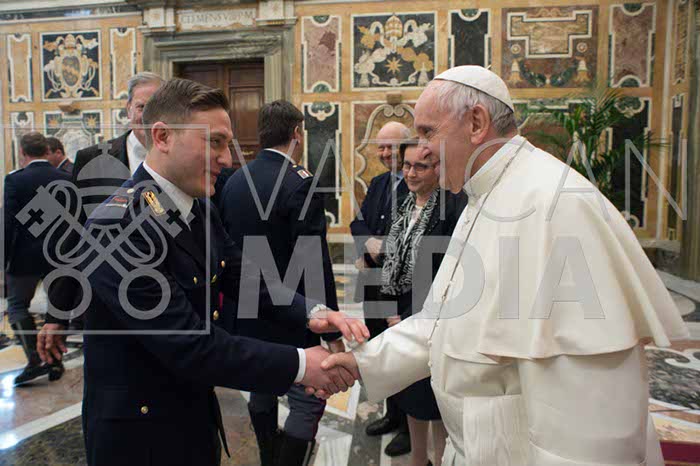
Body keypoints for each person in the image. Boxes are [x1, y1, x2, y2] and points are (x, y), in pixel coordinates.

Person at [316, 66, 689, 466]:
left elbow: (591, 420)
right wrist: (362, 362)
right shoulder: (482, 196)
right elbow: (441, 320)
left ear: (476, 123)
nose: (421, 152)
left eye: (427, 133)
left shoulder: (557, 205)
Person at [38, 78, 367, 466]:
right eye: (215, 142)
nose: (227, 159)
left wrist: (312, 312)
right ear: (163, 137)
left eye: (227, 144)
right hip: (140, 439)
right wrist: (300, 365)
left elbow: (242, 276)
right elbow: (191, 344)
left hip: (192, 416)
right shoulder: (118, 227)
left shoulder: (198, 207)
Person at [218, 100, 341, 466]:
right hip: (292, 310)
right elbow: (313, 262)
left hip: (247, 306)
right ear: (297, 134)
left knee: (261, 384)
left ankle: (268, 454)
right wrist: (330, 325)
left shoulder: (234, 180)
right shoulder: (299, 183)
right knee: (308, 397)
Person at [40, 71, 164, 331]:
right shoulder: (92, 160)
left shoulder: (183, 158)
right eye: (142, 107)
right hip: (105, 305)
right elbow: (73, 233)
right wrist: (57, 314)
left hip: (167, 300)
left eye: (158, 107)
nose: (149, 116)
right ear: (128, 109)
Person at [379, 139, 465, 466]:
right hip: (399, 314)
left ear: (437, 168)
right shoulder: (404, 202)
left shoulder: (452, 208)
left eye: (421, 166)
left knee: (436, 401)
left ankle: (439, 459)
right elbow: (391, 258)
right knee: (411, 395)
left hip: (432, 319)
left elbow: (451, 271)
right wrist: (391, 312)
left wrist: (411, 316)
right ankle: (418, 459)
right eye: (407, 165)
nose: (411, 173)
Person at [349, 121, 412, 456]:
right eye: (381, 147)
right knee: (379, 348)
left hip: (401, 288)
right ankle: (392, 413)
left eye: (392, 147)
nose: (385, 153)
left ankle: (409, 427)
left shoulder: (419, 183)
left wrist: (382, 247)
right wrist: (367, 243)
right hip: (374, 284)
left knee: (404, 355)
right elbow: (357, 222)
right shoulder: (377, 183)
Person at [3, 132, 70, 384]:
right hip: (59, 254)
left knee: (17, 306)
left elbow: (8, 222)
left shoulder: (15, 180)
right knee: (57, 310)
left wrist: (4, 258)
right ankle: (55, 361)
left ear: (22, 152)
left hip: (25, 256)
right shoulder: (64, 178)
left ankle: (35, 358)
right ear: (47, 150)